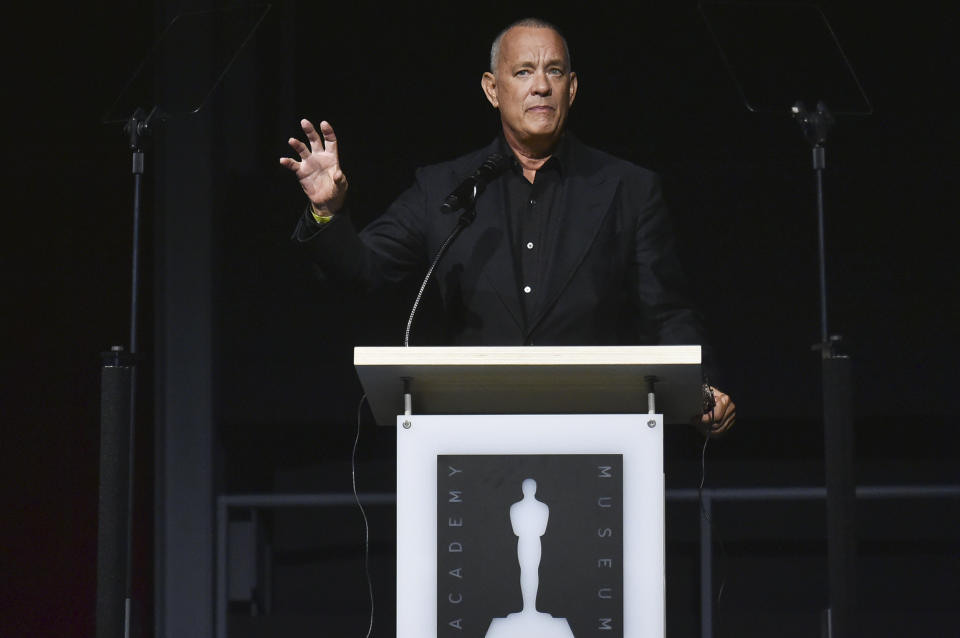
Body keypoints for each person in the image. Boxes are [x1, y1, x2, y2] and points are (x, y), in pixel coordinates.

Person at [281, 18, 735, 433]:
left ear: (572, 89)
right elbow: (365, 270)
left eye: (554, 71)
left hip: (598, 433)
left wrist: (703, 388)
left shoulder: (629, 190)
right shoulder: (444, 188)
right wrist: (327, 212)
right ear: (492, 88)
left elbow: (667, 312)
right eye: (523, 72)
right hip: (473, 435)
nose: (540, 85)